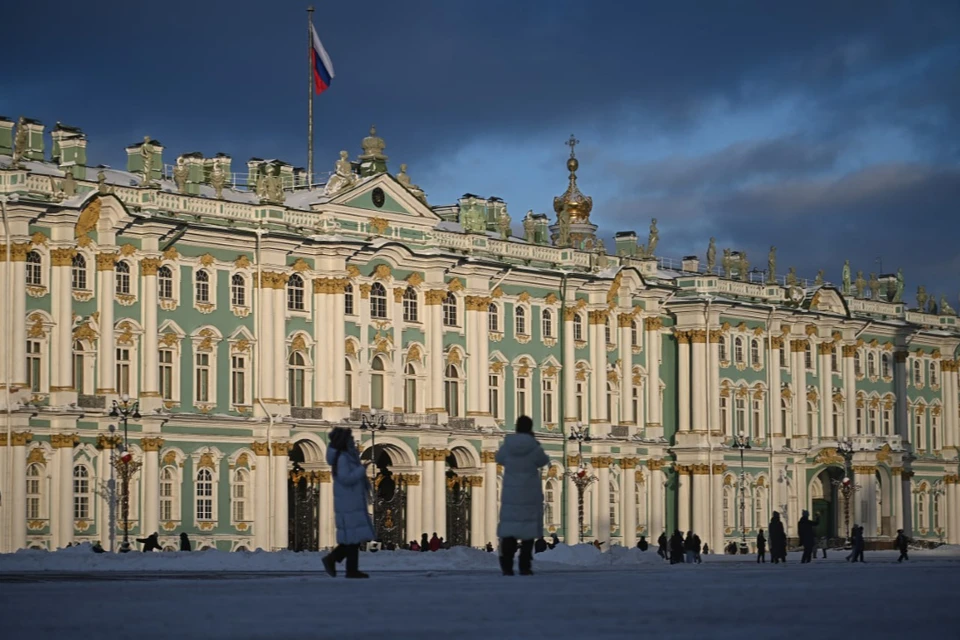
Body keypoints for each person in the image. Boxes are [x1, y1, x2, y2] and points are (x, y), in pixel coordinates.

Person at [495, 415, 550, 576]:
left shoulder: (508, 445)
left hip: (511, 495)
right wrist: (535, 442)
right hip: (528, 495)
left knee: (509, 532)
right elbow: (543, 460)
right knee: (527, 534)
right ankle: (524, 566)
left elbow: (499, 458)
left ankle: (506, 565)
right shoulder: (533, 447)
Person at [322, 427, 375, 579]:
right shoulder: (343, 458)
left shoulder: (345, 456)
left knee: (353, 539)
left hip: (351, 500)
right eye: (350, 439)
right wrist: (361, 470)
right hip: (349, 502)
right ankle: (339, 563)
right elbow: (346, 478)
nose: (353, 441)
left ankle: (345, 566)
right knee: (353, 539)